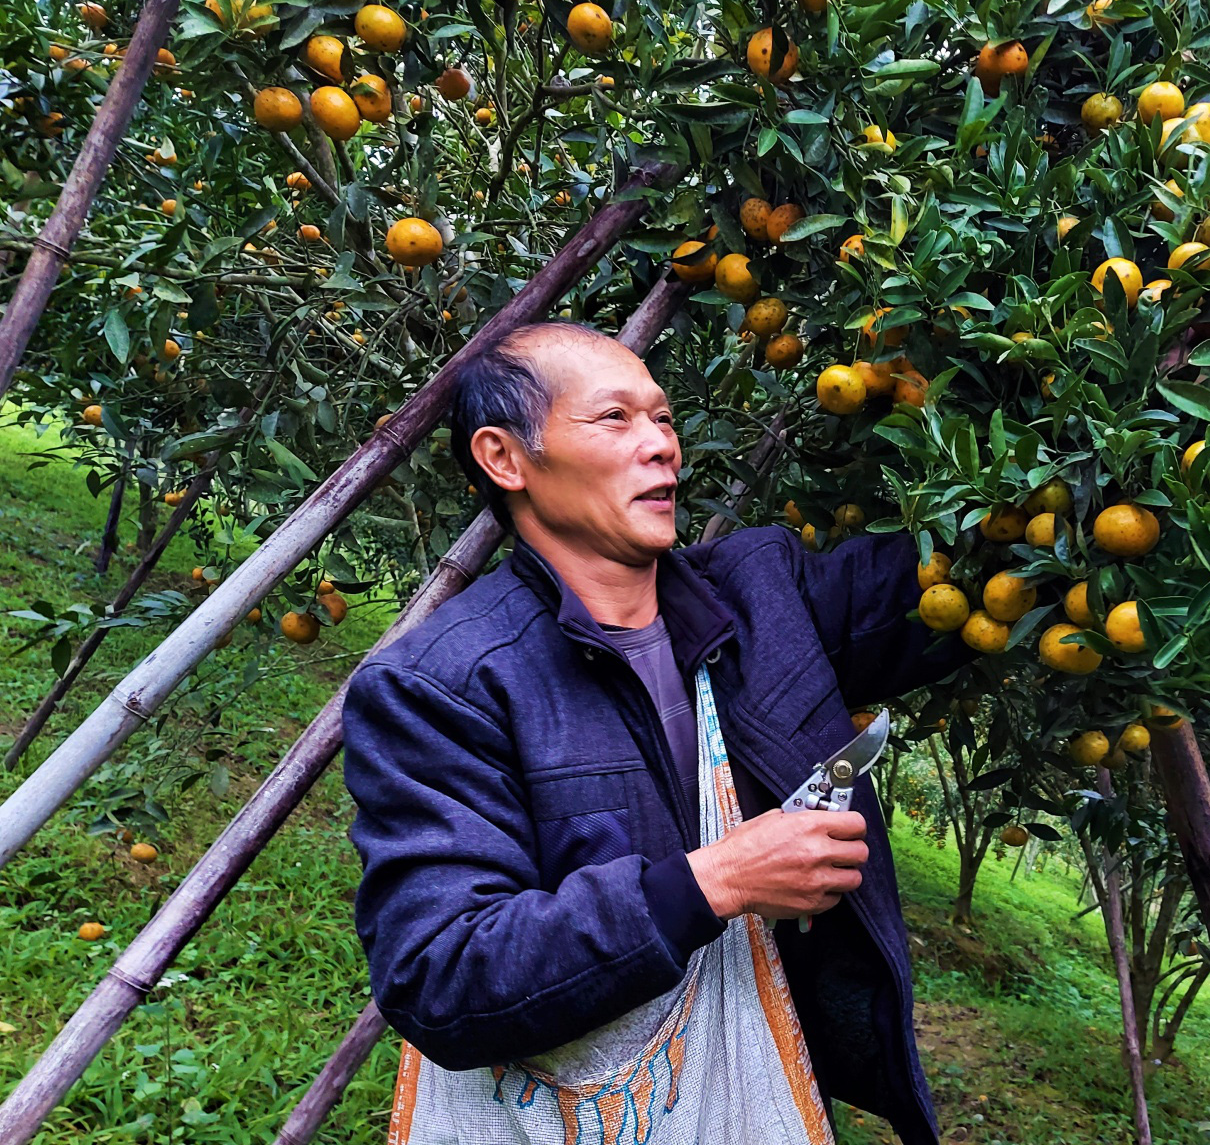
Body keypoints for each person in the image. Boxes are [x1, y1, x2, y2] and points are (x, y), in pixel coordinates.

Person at [341, 320, 967, 1144]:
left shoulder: (763, 600)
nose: (663, 446)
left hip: (755, 1090)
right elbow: (443, 974)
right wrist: (713, 883)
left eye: (665, 419)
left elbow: (965, 575)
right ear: (505, 458)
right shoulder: (442, 684)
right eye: (616, 419)